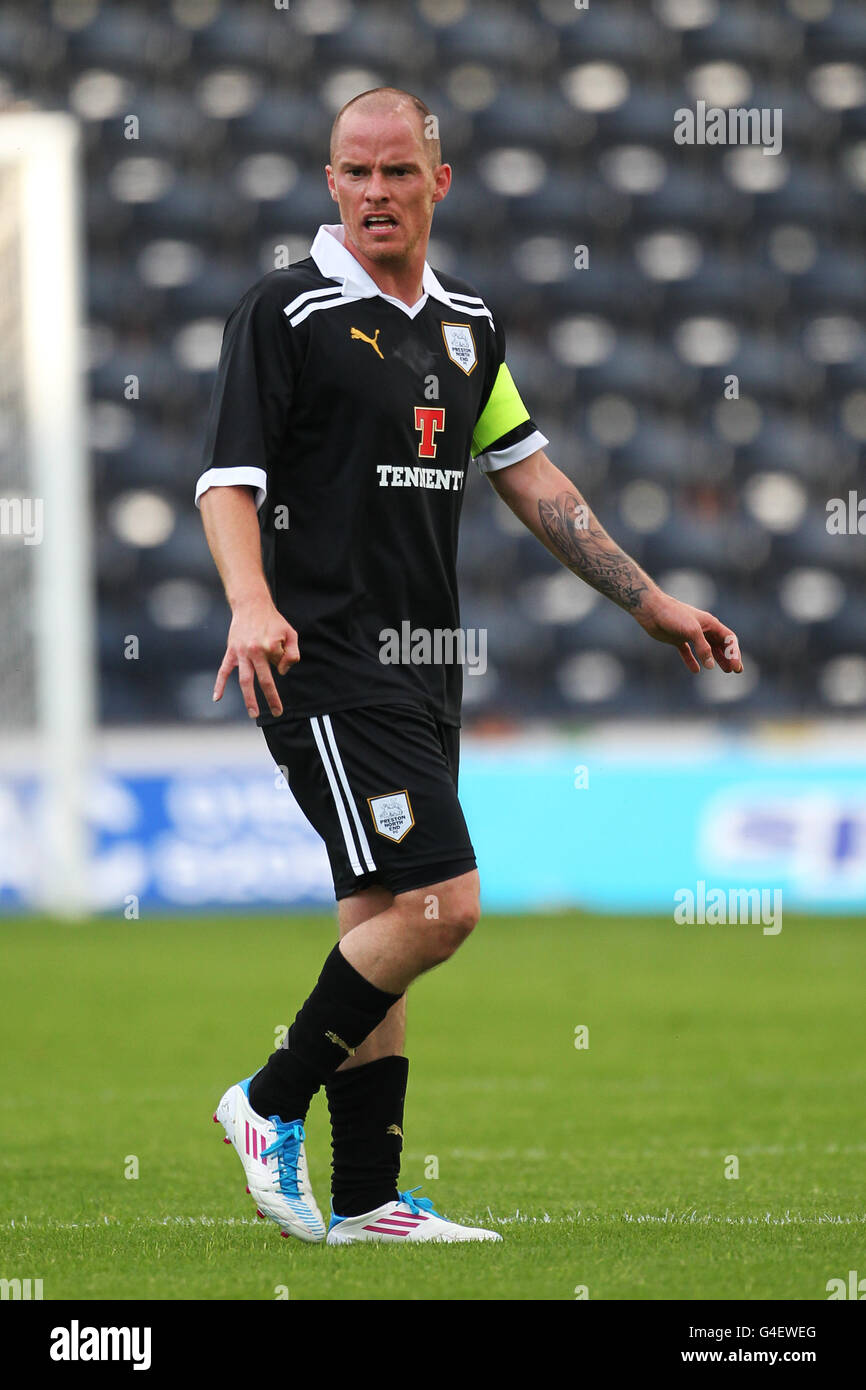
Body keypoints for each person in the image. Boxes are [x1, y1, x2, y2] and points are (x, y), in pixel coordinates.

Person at [197, 87, 743, 1246]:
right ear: (328, 179)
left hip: (421, 665)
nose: (375, 193)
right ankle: (266, 1101)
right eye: (354, 172)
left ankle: (366, 1199)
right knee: (443, 905)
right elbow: (227, 478)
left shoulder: (466, 326)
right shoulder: (283, 311)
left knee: (383, 912)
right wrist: (250, 603)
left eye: (397, 172)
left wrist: (646, 600)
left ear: (438, 183)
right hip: (322, 658)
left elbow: (532, 478)